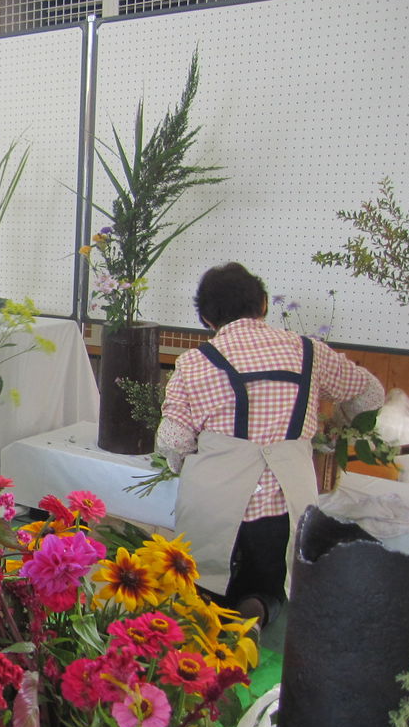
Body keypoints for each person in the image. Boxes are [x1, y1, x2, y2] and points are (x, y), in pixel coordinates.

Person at [157, 262, 383, 628]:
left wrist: (181, 463)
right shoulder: (310, 352)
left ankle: (210, 617)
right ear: (263, 303)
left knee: (205, 585)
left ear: (205, 319)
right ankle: (260, 606)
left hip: (216, 505)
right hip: (285, 505)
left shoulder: (193, 364)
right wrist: (342, 424)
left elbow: (172, 441)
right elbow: (370, 394)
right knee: (272, 582)